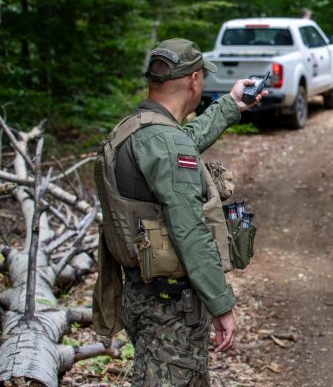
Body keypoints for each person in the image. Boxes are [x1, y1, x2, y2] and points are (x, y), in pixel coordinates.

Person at [92, 38, 266, 386]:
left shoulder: (133, 129)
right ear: (194, 80)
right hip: (170, 307)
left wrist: (230, 105)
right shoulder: (164, 142)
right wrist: (221, 304)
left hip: (143, 295)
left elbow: (180, 142)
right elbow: (189, 230)